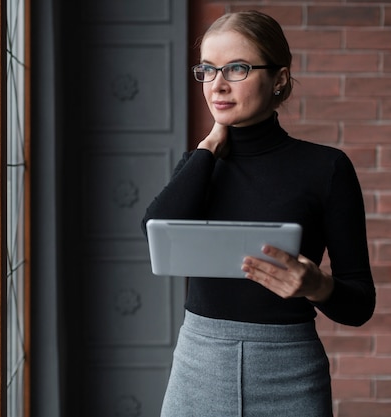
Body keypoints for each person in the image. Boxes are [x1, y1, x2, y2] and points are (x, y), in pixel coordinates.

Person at [141, 10, 376, 417]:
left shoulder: (327, 168)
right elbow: (154, 230)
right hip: (198, 365)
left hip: (291, 371)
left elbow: (360, 304)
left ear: (279, 79)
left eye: (237, 68)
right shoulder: (199, 164)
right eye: (208, 69)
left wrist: (317, 285)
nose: (217, 84)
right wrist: (210, 145)